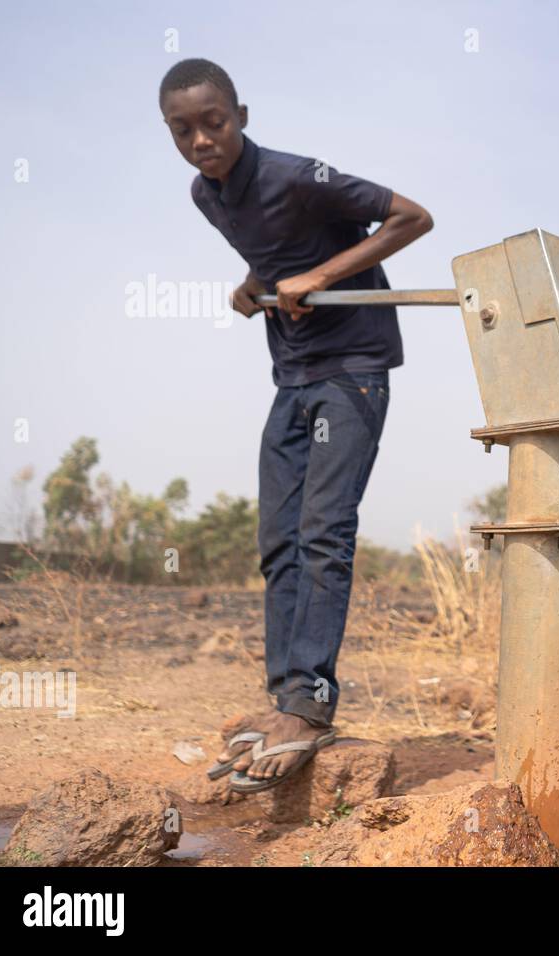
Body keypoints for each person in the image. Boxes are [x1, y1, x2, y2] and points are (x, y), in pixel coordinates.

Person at [159, 58, 434, 791]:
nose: (200, 140)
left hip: (353, 368)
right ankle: (285, 696)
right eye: (182, 130)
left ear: (240, 115)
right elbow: (273, 256)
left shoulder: (296, 176)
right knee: (279, 538)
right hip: (292, 374)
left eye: (212, 123)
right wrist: (254, 288)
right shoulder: (205, 195)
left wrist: (321, 278)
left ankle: (311, 704)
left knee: (322, 531)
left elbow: (413, 216)